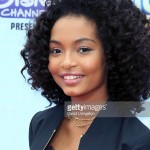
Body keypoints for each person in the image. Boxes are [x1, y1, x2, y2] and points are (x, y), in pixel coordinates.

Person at [21, 0, 150, 150]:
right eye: (56, 50)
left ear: (112, 54)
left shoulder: (137, 141)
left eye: (83, 49)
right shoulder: (40, 123)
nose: (67, 62)